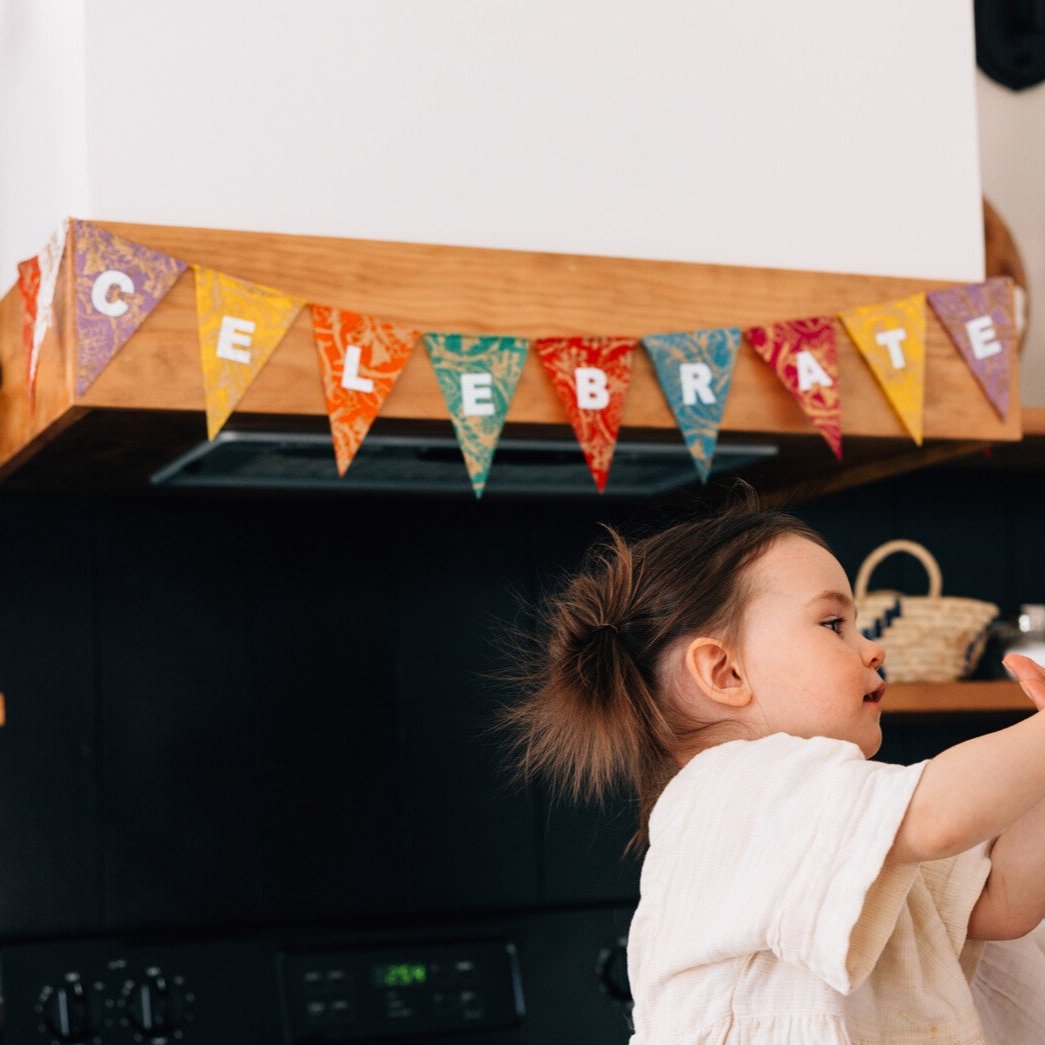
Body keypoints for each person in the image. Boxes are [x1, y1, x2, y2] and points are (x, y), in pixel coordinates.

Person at [502, 488, 1045, 1043]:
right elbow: (943, 813)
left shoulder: (837, 819)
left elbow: (997, 901)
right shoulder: (729, 789)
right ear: (725, 673)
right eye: (834, 624)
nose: (873, 647)